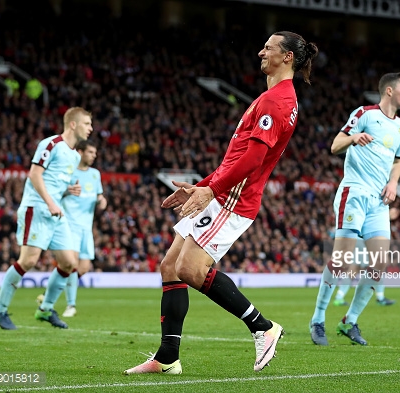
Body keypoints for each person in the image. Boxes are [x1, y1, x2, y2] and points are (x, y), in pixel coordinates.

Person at [124, 31, 318, 375]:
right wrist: (201, 187)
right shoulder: (274, 97)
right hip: (222, 191)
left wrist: (212, 192)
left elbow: (253, 159)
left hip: (233, 199)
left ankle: (263, 327)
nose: (261, 51)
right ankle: (168, 357)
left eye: (269, 48)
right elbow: (236, 158)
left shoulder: (277, 101)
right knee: (171, 266)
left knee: (189, 269)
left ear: (286, 57)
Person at [310, 72, 400, 346]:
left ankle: (349, 321)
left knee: (378, 265)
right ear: (389, 91)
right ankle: (318, 320)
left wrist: (393, 183)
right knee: (342, 262)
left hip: (379, 202)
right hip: (354, 193)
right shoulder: (364, 114)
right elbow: (335, 145)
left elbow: (398, 160)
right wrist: (354, 138)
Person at [0, 107, 93, 330]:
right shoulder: (50, 144)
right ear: (73, 124)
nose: (91, 128)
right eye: (87, 123)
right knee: (27, 261)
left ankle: (45, 309)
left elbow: (54, 183)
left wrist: (66, 192)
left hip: (55, 212)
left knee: (68, 262)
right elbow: (35, 174)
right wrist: (51, 202)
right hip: (36, 208)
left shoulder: (75, 155)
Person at [60, 140, 107, 317]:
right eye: (90, 152)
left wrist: (102, 201)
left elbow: (99, 196)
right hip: (69, 225)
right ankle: (70, 305)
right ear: (80, 152)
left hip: (86, 228)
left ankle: (56, 288)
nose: (94, 156)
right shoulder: (68, 171)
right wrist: (67, 191)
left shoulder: (95, 174)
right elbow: (55, 193)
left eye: (95, 153)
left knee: (84, 268)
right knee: (71, 264)